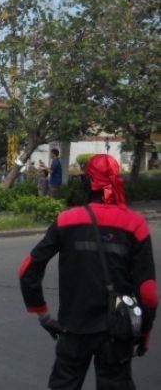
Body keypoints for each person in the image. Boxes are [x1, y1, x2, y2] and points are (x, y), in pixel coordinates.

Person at [19, 154, 157, 390]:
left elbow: (27, 270)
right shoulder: (135, 224)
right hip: (117, 332)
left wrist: (43, 315)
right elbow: (149, 293)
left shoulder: (66, 220)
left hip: (73, 328)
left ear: (86, 183)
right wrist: (142, 333)